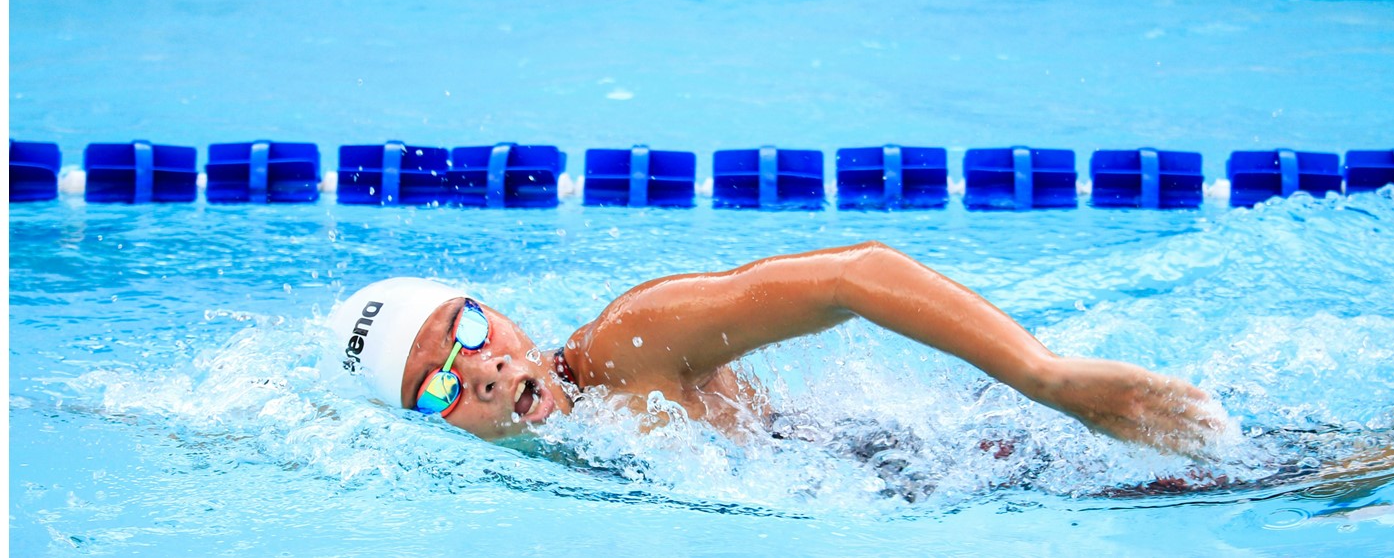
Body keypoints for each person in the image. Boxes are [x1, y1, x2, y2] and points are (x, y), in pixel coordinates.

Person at [327, 241, 1224, 457]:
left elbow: (856, 275)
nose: (478, 369)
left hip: (939, 465)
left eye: (469, 332)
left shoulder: (628, 345)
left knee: (1274, 474)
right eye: (436, 383)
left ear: (504, 319)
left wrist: (1047, 378)